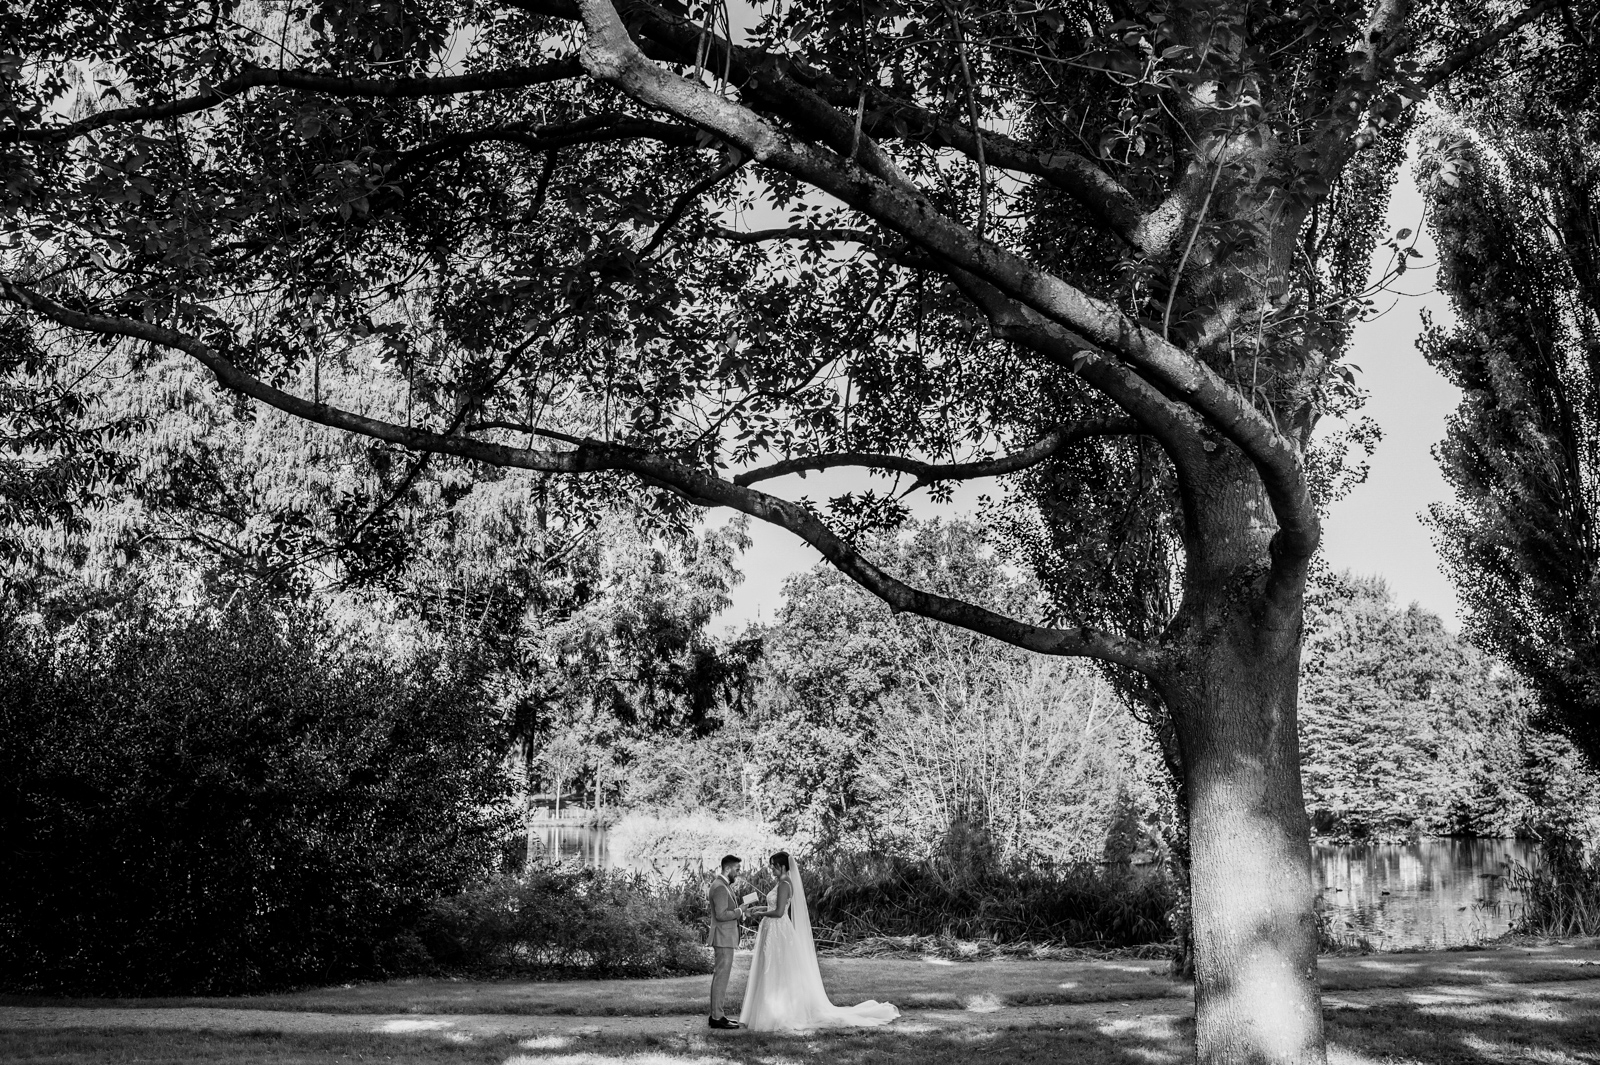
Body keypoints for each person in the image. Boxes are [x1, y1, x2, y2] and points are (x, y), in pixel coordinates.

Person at [739, 851, 899, 1031]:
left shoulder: (785, 884)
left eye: (774, 866)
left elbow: (778, 913)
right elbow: (775, 907)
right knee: (769, 967)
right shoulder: (780, 884)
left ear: (783, 866)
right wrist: (759, 908)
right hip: (772, 930)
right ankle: (767, 1010)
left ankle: (777, 1014)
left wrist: (760, 914)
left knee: (776, 967)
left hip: (778, 930)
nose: (772, 869)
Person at [706, 853, 747, 1029]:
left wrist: (741, 912)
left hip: (725, 937)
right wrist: (739, 911)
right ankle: (717, 1017)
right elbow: (722, 915)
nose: (738, 873)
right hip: (723, 938)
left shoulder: (723, 885)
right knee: (721, 978)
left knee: (720, 977)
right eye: (737, 869)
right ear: (728, 868)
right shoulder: (720, 887)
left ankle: (717, 1015)